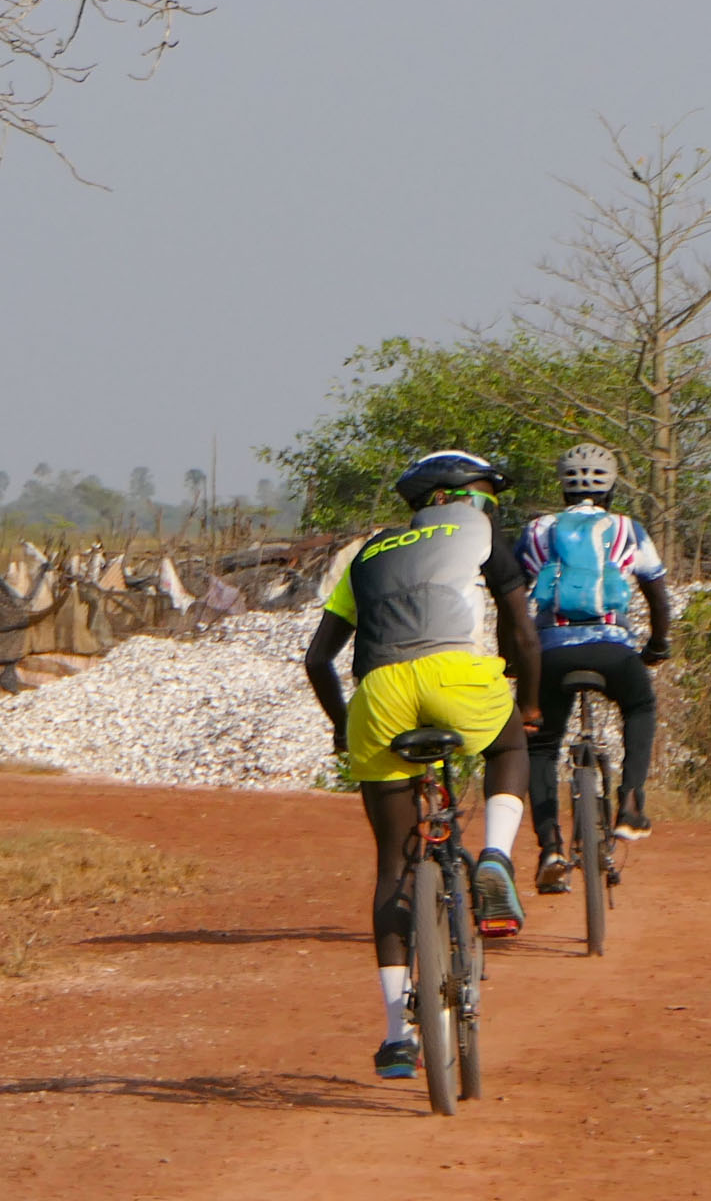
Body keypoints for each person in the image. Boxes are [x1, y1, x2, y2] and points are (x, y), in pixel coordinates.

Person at [303, 448, 544, 1082]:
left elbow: (318, 660)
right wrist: (533, 700)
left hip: (378, 695)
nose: (486, 504)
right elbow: (520, 626)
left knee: (392, 866)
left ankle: (395, 1036)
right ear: (451, 498)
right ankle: (494, 856)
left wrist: (342, 729)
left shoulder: (369, 553)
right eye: (482, 493)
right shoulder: (484, 533)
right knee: (511, 744)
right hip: (458, 679)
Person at [517, 441, 671, 897]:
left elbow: (509, 596)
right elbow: (657, 596)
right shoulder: (628, 528)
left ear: (562, 486)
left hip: (550, 652)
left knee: (541, 744)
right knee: (640, 706)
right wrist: (657, 645)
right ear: (611, 486)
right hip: (613, 649)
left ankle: (549, 848)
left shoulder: (536, 531)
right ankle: (631, 803)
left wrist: (515, 657)